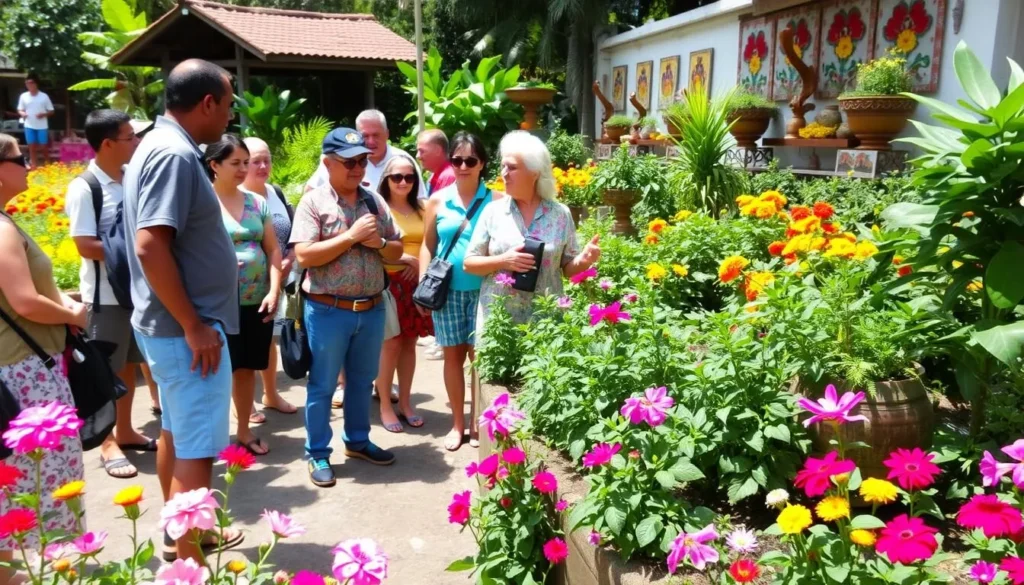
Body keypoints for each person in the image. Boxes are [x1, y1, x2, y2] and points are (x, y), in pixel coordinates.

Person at [123, 59, 243, 562]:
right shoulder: (173, 153)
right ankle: (191, 565)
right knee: (196, 447)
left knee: (176, 429)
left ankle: (183, 537)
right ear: (208, 103)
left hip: (170, 327)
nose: (231, 111)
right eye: (229, 101)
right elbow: (152, 245)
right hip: (183, 330)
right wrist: (194, 324)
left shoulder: (158, 144)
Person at [291, 127, 404, 487]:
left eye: (361, 161)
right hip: (327, 309)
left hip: (370, 309)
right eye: (348, 162)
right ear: (327, 163)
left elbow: (397, 250)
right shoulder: (314, 202)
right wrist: (351, 237)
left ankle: (357, 441)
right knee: (323, 385)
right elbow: (304, 254)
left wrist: (380, 241)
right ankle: (317, 453)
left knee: (361, 381)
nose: (357, 168)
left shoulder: (374, 202)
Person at [0, 133, 86, 584]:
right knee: (46, 484)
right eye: (19, 159)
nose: (29, 166)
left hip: (20, 368)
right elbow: (25, 301)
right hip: (24, 374)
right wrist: (70, 311)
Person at [65, 109, 156, 480]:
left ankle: (126, 430)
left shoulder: (129, 178)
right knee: (106, 370)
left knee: (129, 365)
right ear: (107, 144)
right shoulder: (85, 187)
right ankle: (106, 444)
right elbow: (84, 244)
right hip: (105, 297)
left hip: (134, 292)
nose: (136, 143)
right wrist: (136, 250)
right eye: (129, 137)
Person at [464, 131, 601, 339]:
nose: (504, 173)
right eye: (503, 166)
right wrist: (504, 260)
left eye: (512, 167)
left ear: (534, 172)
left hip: (545, 322)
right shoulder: (493, 212)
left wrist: (584, 260)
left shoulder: (560, 214)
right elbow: (469, 263)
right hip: (500, 325)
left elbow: (568, 269)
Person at [419, 132, 501, 452]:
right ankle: (457, 423)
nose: (463, 166)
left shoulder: (497, 201)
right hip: (448, 291)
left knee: (479, 360)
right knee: (452, 356)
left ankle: (476, 423)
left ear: (482, 164)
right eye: (457, 160)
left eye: (471, 160)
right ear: (450, 162)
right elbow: (428, 246)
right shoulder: (438, 200)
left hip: (485, 291)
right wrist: (423, 285)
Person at [206, 135, 283, 456]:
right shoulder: (202, 205)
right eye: (235, 163)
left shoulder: (256, 202)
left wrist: (275, 289)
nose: (243, 169)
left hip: (256, 302)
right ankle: (211, 436)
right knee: (215, 370)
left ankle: (242, 430)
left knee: (246, 368)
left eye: (244, 163)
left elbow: (273, 248)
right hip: (216, 305)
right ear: (214, 165)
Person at [375, 156, 432, 433]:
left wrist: (419, 265)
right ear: (386, 179)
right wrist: (406, 259)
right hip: (389, 283)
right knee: (391, 345)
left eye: (409, 177)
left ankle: (406, 402)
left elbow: (433, 243)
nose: (403, 182)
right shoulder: (378, 207)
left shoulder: (423, 207)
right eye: (396, 177)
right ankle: (385, 403)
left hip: (416, 284)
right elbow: (374, 245)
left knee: (409, 343)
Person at [242, 136, 298, 416]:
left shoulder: (275, 192)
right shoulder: (235, 197)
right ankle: (246, 405)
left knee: (269, 340)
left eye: (267, 160)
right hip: (247, 287)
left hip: (278, 282)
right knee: (245, 348)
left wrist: (289, 259)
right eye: (256, 161)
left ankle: (271, 394)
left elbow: (293, 235)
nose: (263, 166)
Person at [305, 111, 427, 201]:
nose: (371, 141)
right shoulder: (340, 160)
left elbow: (420, 199)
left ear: (387, 134)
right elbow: (311, 190)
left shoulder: (403, 160)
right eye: (365, 136)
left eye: (376, 135)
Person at [17, 75, 54, 168]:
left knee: (43, 147)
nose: (29, 85)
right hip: (29, 125)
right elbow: (20, 109)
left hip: (42, 126)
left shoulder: (44, 96)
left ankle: (48, 164)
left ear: (36, 84)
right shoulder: (23, 96)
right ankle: (34, 166)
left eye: (31, 83)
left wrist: (43, 114)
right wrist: (22, 114)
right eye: (27, 83)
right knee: (31, 147)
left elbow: (51, 111)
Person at [417, 129, 456, 196]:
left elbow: (439, 206)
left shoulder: (448, 176)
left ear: (437, 150)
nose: (418, 156)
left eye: (422, 151)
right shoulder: (437, 174)